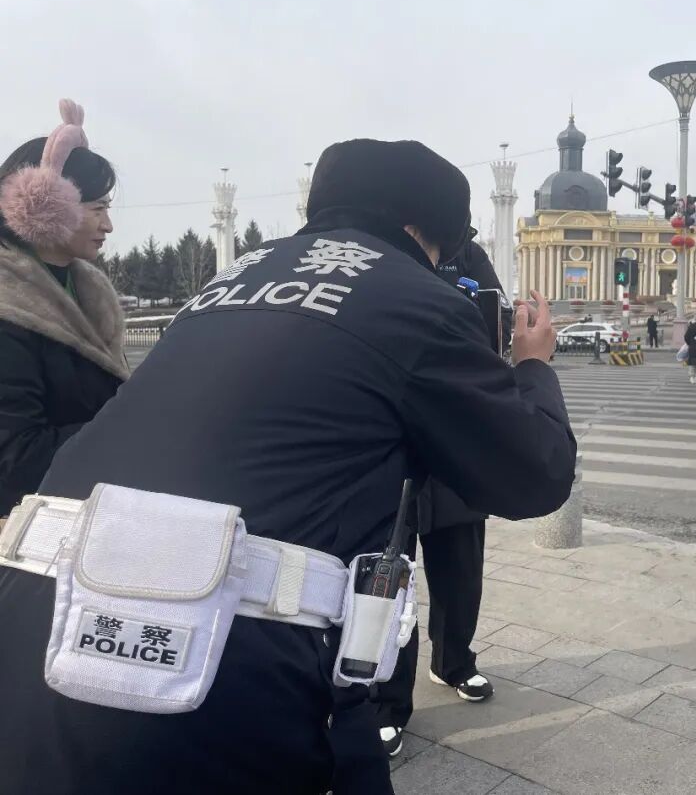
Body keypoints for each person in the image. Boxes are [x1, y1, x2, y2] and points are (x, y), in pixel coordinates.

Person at [0, 138, 577, 795]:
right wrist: (531, 364)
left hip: (32, 647)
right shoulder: (413, 293)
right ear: (422, 232)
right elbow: (537, 472)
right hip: (218, 688)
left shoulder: (234, 279)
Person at [371, 236, 505, 758]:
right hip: (387, 443)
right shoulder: (376, 248)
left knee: (460, 568)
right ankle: (385, 700)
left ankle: (454, 662)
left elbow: (490, 325)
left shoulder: (465, 255)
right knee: (384, 579)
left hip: (453, 438)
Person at [0, 100, 128, 517]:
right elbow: (16, 461)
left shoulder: (89, 295)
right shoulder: (8, 311)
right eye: (98, 209)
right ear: (45, 204)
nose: (107, 225)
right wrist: (137, 426)